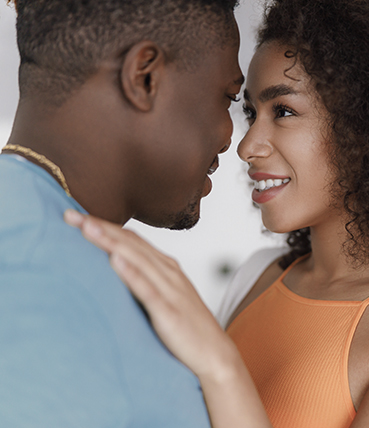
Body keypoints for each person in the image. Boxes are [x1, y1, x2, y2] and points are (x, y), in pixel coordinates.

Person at [66, 0, 369, 426]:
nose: (247, 146)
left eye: (282, 111)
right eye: (250, 113)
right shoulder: (258, 276)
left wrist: (218, 365)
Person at [0, 0, 243, 426]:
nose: (232, 139)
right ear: (144, 77)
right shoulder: (33, 276)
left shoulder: (44, 238)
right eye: (227, 98)